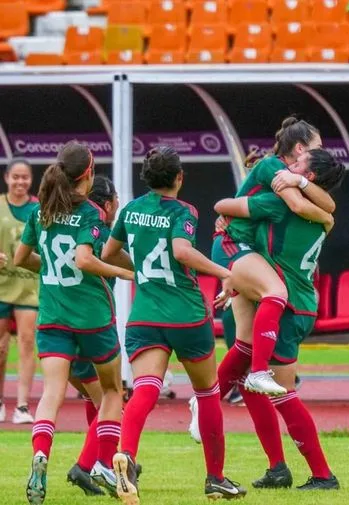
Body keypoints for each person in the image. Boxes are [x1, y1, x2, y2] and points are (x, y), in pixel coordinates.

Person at [101, 145, 246, 504]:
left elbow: (107, 253)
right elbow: (182, 251)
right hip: (185, 314)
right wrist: (226, 272)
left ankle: (127, 456)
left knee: (146, 388)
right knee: (208, 393)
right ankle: (215, 478)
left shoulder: (131, 209)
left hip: (144, 314)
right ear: (179, 177)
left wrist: (144, 273)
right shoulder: (184, 211)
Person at [211, 148, 344, 491]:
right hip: (301, 304)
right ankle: (278, 469)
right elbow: (324, 210)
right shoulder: (324, 216)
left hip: (289, 308)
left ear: (310, 178)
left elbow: (226, 209)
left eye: (298, 165)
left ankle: (323, 474)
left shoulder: (279, 207)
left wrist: (228, 221)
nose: (289, 167)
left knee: (281, 393)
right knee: (256, 388)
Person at [14, 141, 134, 505]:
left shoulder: (40, 211)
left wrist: (51, 268)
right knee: (113, 393)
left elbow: (22, 257)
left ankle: (40, 456)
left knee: (51, 393)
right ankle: (105, 464)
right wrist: (121, 273)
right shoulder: (91, 213)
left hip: (53, 316)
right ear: (89, 172)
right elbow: (84, 260)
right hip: (92, 319)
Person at [212, 116, 335, 397]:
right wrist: (324, 215)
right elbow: (296, 204)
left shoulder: (291, 177)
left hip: (251, 253)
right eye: (318, 146)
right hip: (234, 245)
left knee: (245, 341)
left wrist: (304, 185)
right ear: (302, 149)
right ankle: (257, 373)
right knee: (276, 293)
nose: (322, 151)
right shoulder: (273, 167)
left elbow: (329, 205)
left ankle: (205, 402)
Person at [66, 174, 127, 496]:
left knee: (98, 399)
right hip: (91, 327)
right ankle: (89, 464)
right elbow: (116, 259)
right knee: (112, 401)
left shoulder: (64, 225)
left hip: (61, 327)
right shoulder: (100, 233)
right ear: (106, 203)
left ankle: (110, 459)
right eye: (115, 199)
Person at [0, 159, 39, 424]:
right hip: (2, 287)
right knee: (0, 348)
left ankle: (22, 406)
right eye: (16, 177)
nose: (20, 182)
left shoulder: (38, 209)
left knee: (27, 342)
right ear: (6, 178)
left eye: (25, 177)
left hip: (29, 287)